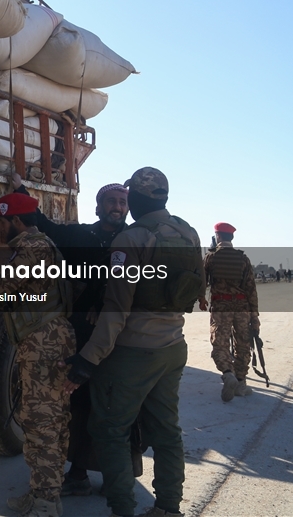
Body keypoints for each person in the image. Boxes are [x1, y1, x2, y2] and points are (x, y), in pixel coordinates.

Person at [62, 167, 203, 517]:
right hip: (173, 347)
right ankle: (168, 508)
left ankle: (123, 509)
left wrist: (87, 360)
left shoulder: (132, 239)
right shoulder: (188, 232)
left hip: (132, 353)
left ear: (136, 199)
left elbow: (116, 309)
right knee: (167, 431)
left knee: (109, 430)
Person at [12, 173, 130, 496]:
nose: (117, 207)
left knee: (118, 409)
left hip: (120, 338)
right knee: (79, 405)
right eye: (111, 201)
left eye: (122, 202)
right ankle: (77, 473)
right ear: (99, 206)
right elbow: (45, 226)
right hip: (81, 337)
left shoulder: (133, 240)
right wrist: (20, 190)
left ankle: (117, 478)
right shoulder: (82, 236)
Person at [0, 192, 76, 517]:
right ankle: (42, 493)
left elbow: (1, 290)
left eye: (2, 223)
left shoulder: (33, 248)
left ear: (16, 221)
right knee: (50, 421)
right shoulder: (41, 245)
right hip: (46, 340)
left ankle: (47, 502)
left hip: (43, 344)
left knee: (42, 423)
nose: (0, 229)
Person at [204, 223, 260, 401]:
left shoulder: (211, 257)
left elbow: (201, 281)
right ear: (231, 238)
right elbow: (251, 289)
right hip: (242, 308)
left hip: (221, 307)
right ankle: (241, 383)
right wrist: (255, 316)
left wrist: (200, 298)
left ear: (218, 236)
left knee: (220, 344)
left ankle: (228, 374)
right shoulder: (243, 259)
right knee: (243, 344)